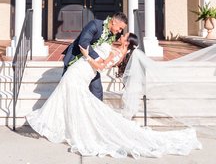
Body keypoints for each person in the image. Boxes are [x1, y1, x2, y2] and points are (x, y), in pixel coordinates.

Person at [26, 32, 202, 158]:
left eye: (125, 36)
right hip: (80, 73)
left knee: (75, 98)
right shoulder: (117, 50)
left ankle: (51, 124)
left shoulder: (116, 53)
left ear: (127, 43)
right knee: (70, 97)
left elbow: (100, 67)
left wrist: (87, 56)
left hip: (83, 72)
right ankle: (55, 124)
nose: (122, 35)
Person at [61, 12, 128, 100]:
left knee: (97, 90)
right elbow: (83, 43)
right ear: (114, 21)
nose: (120, 31)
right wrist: (97, 58)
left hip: (92, 65)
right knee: (67, 89)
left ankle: (97, 111)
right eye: (120, 28)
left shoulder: (111, 34)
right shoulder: (94, 25)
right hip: (76, 60)